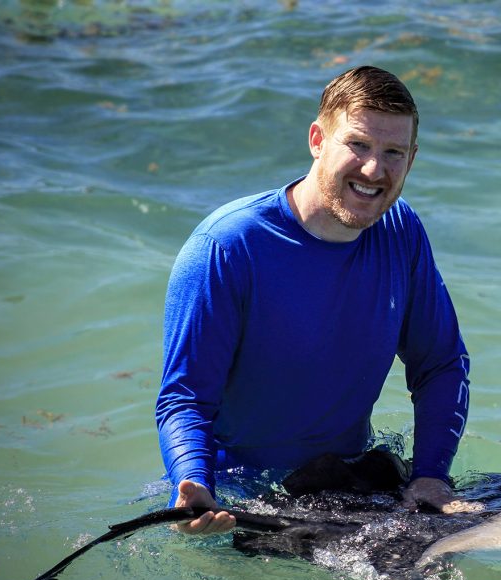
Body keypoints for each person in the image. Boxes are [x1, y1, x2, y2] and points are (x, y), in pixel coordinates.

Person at [156, 66, 474, 534]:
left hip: (350, 484)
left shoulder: (399, 231)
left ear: (412, 159)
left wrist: (430, 475)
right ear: (317, 140)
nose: (374, 169)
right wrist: (192, 484)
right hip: (245, 501)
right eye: (358, 145)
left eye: (393, 153)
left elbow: (441, 364)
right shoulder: (228, 246)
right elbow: (184, 398)